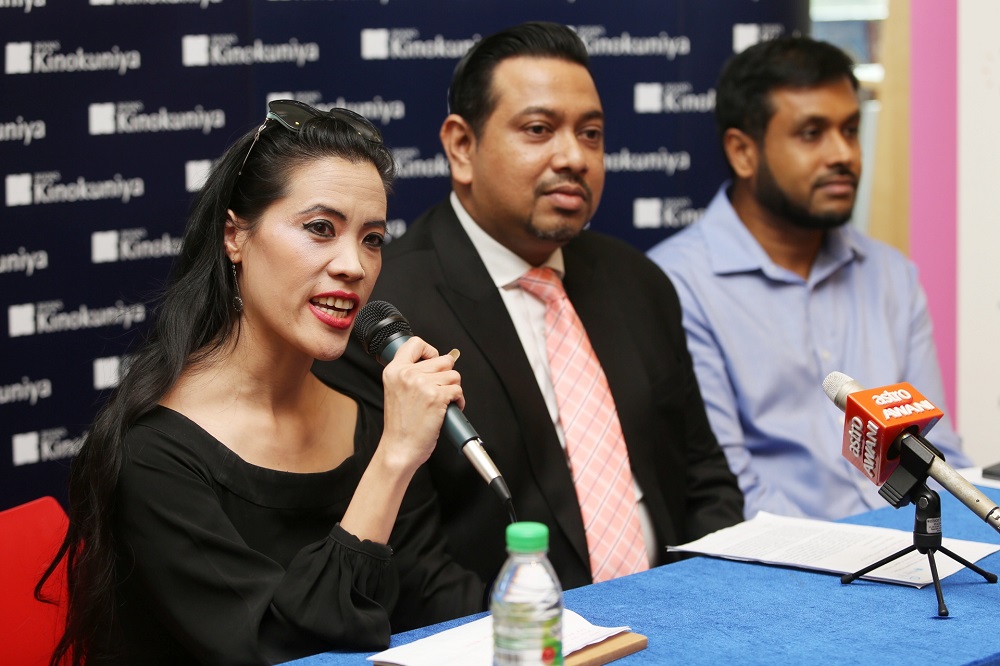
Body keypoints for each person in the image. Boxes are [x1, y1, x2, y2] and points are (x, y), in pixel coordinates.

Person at [36, 100, 482, 665]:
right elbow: (281, 650)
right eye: (321, 229)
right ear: (235, 238)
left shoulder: (366, 423)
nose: (354, 265)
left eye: (372, 238)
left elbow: (433, 602)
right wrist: (394, 460)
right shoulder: (152, 455)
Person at [313, 22, 744, 593]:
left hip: (681, 618)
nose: (574, 157)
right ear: (461, 146)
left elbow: (703, 479)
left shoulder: (639, 282)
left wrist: (720, 605)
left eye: (591, 134)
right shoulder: (385, 314)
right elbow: (409, 563)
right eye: (540, 130)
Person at [646, 36, 972, 521]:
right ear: (742, 152)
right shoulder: (673, 284)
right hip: (786, 574)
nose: (843, 154)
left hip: (913, 553)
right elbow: (728, 492)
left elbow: (936, 451)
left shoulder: (891, 275)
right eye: (811, 133)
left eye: (851, 129)